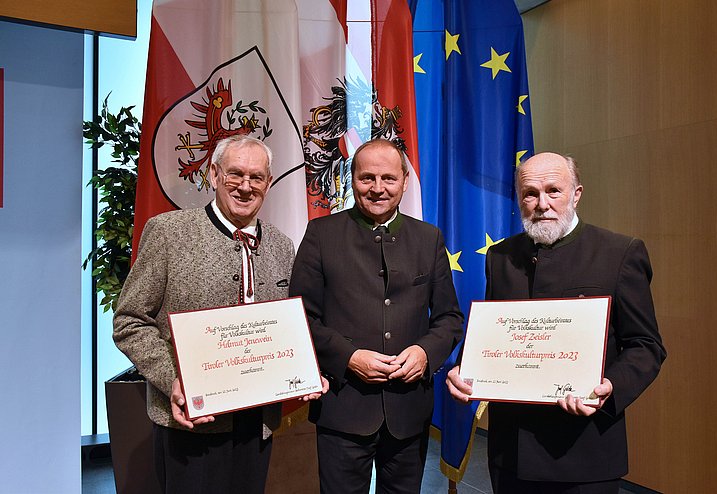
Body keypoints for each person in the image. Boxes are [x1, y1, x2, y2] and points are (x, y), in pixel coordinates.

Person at [446, 152, 666, 493]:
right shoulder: (501, 256)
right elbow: (496, 334)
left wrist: (611, 388)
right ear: (519, 199)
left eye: (553, 191)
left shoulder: (619, 253)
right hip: (512, 451)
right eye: (530, 193)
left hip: (585, 451)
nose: (541, 203)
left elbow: (646, 346)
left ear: (576, 194)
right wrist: (466, 369)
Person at [113, 135, 322, 493]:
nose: (245, 186)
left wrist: (307, 372)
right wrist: (173, 381)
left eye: (256, 177)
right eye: (235, 174)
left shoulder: (281, 244)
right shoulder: (168, 233)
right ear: (213, 174)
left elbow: (288, 327)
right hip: (191, 420)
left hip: (257, 420)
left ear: (269, 183)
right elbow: (129, 321)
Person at [289, 139, 464, 493]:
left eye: (388, 178)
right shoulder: (321, 235)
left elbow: (449, 318)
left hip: (409, 410)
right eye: (367, 178)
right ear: (351, 179)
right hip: (343, 408)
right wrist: (348, 357)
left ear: (403, 181)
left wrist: (425, 353)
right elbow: (301, 317)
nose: (378, 188)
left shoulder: (428, 238)